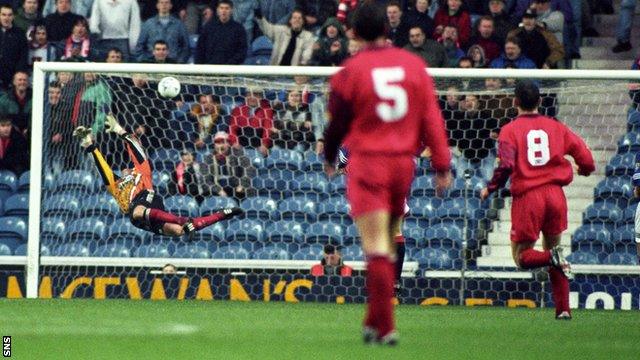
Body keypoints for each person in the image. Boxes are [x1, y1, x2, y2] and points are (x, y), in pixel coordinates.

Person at [323, 2, 451, 345]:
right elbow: (432, 119)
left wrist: (330, 156)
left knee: (375, 246)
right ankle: (372, 319)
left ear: (353, 32)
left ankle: (387, 326)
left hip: (368, 164)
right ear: (387, 29)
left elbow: (337, 122)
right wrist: (442, 165)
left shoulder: (352, 69)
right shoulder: (413, 64)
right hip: (403, 166)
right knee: (392, 237)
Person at [480, 80, 595, 320]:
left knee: (522, 258)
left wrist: (490, 188)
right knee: (554, 249)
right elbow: (584, 155)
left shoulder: (510, 130)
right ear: (540, 102)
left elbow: (507, 165)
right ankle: (563, 309)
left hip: (529, 197)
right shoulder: (555, 126)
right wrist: (584, 169)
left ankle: (552, 258)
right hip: (555, 195)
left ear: (515, 102)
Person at [73, 114, 243, 237]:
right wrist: (89, 145)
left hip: (146, 200)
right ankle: (221, 214)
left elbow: (136, 149)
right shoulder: (115, 185)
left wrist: (119, 130)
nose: (125, 169)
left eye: (128, 168)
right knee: (179, 231)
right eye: (123, 169)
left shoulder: (141, 172)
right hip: (140, 220)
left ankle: (191, 218)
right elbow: (103, 169)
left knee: (140, 212)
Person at [202, 131, 257, 200]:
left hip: (236, 190)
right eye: (218, 142)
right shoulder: (208, 158)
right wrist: (219, 190)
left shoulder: (238, 153)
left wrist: (242, 185)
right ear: (214, 145)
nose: (221, 146)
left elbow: (249, 168)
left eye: (223, 142)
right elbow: (205, 179)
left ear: (228, 143)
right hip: (217, 191)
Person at [195, 0, 247, 65]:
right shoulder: (208, 27)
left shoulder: (239, 29)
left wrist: (229, 65)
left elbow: (242, 51)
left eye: (227, 8)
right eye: (221, 8)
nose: (224, 11)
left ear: (231, 10)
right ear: (217, 10)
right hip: (210, 69)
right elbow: (200, 49)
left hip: (230, 70)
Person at [0, 5, 28, 91]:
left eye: (9, 15)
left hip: (11, 79)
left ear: (13, 16)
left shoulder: (20, 34)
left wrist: (17, 76)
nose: (6, 18)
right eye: (3, 15)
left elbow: (23, 57)